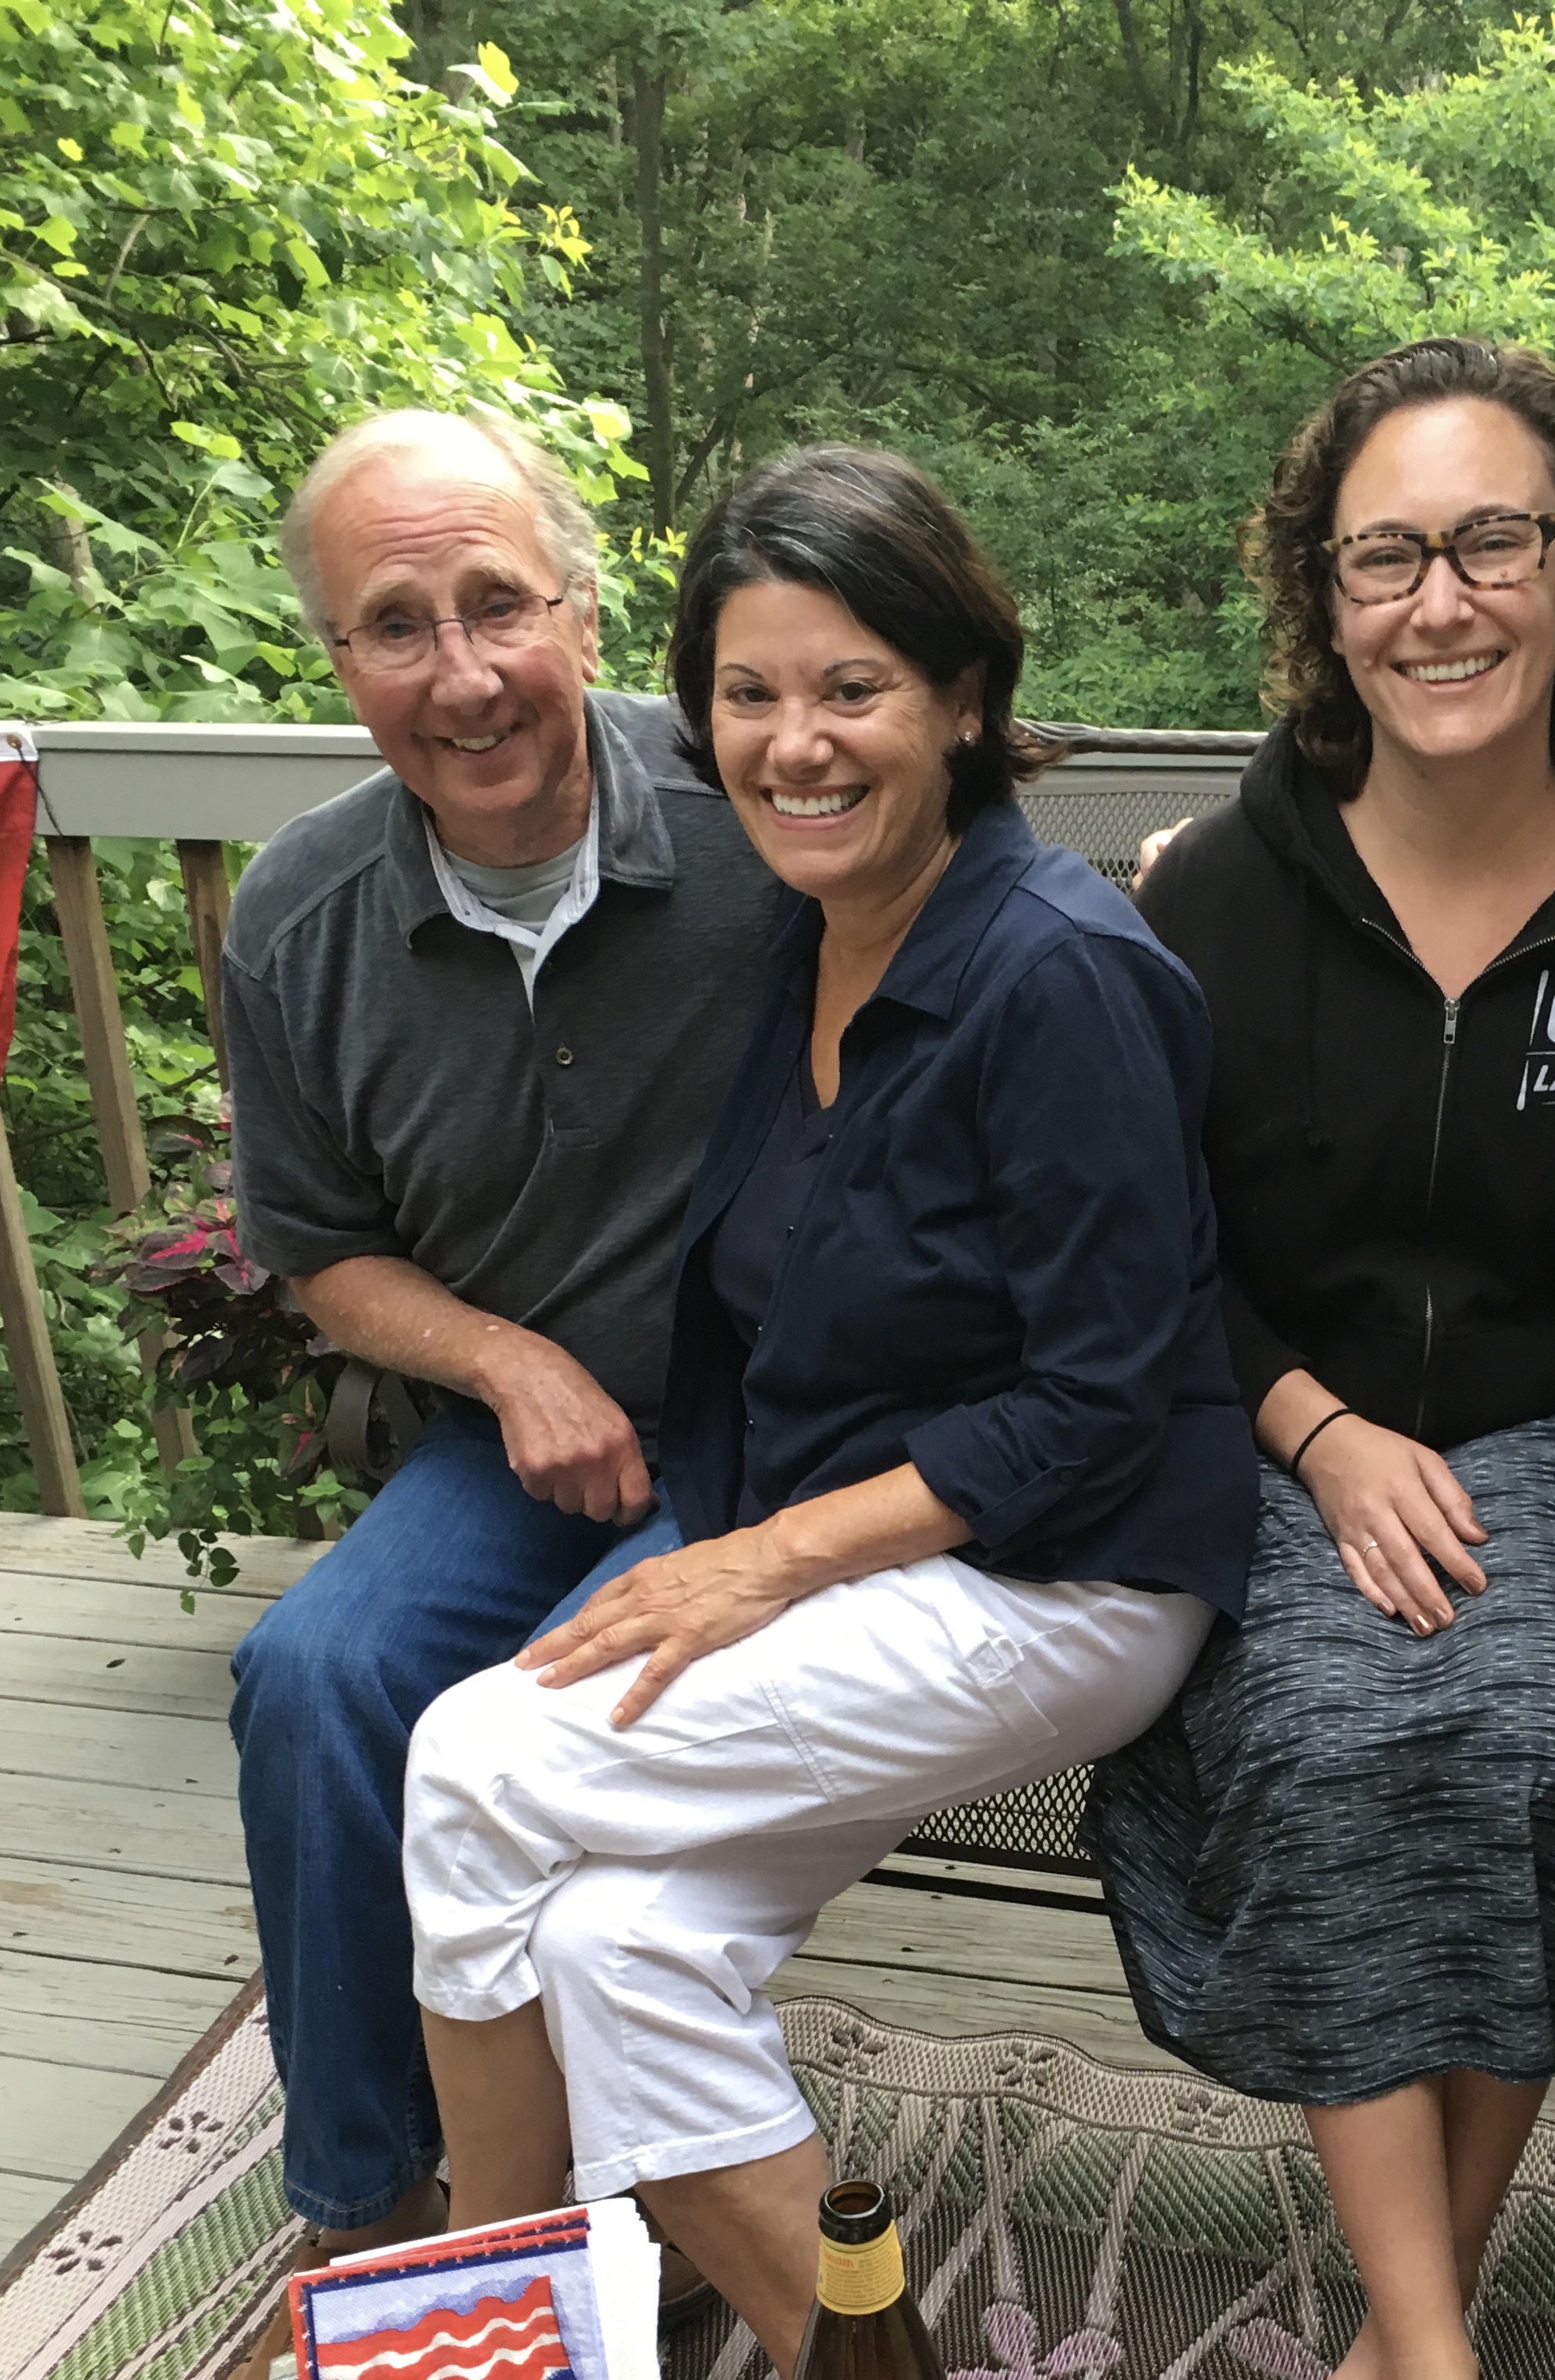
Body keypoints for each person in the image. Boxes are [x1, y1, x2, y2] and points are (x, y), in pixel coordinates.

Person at [398, 444, 1258, 2376]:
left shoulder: (1058, 975)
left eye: (852, 687)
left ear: (963, 697)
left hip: (1063, 1577)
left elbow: (1102, 1397)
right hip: (877, 1560)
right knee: (621, 1949)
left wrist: (765, 1561)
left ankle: (480, 2319)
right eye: (750, 694)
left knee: (470, 1766)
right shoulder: (815, 929)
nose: (796, 743)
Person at [1085, 337, 1555, 2380]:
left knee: (1530, 1744)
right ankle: (1429, 2341)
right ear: (1324, 597)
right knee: (1329, 1735)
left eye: (1494, 543)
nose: (1440, 602)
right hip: (1279, 1426)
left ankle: (1406, 2341)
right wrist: (1315, 1432)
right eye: (1385, 556)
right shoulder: (1222, 893)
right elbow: (1156, 1246)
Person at [220, 408, 781, 2334]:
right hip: (509, 1449)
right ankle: (373, 2214)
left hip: (773, 1446)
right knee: (316, 1674)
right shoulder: (302, 914)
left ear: (584, 611)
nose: (462, 677)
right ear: (339, 659)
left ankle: (610, 2201)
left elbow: (978, 934)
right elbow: (319, 1251)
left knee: (543, 1740)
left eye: (497, 606)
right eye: (397, 625)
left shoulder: (755, 810)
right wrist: (508, 1361)